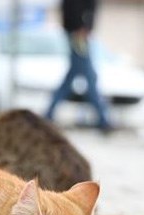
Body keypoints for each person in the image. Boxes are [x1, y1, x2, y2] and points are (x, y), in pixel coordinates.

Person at [45, 0, 114, 134]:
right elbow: (74, 8)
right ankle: (103, 120)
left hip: (80, 32)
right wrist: (80, 27)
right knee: (89, 76)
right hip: (78, 34)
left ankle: (48, 115)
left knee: (73, 77)